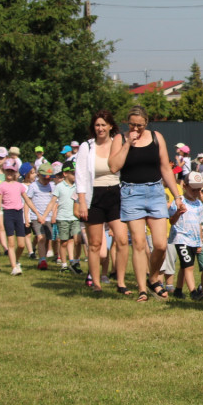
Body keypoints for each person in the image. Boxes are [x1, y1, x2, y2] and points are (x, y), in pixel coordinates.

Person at [108, 106, 185, 302]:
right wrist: (127, 144)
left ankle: (153, 278)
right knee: (139, 243)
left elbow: (165, 168)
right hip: (131, 192)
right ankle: (143, 289)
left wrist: (177, 195)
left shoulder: (156, 137)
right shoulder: (119, 139)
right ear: (127, 122)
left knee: (160, 244)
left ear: (146, 124)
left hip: (155, 191)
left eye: (140, 126)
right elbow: (114, 166)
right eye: (132, 125)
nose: (136, 129)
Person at [76, 110, 132, 294]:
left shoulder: (118, 143)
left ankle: (121, 282)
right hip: (95, 196)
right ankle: (96, 283)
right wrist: (82, 202)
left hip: (115, 194)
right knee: (95, 243)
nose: (100, 128)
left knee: (123, 240)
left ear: (110, 126)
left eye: (103, 125)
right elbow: (81, 175)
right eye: (97, 125)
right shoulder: (87, 146)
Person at [168, 171, 203, 300]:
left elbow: (199, 224)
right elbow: (172, 221)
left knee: (185, 265)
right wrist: (178, 212)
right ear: (185, 186)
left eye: (199, 190)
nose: (196, 193)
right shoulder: (178, 201)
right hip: (180, 237)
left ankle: (178, 290)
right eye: (193, 189)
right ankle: (193, 292)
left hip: (194, 239)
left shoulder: (199, 204)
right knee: (188, 266)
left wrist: (200, 242)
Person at [0, 158, 33, 275]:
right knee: (11, 243)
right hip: (8, 214)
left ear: (15, 172)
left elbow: (28, 201)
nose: (9, 173)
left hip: (18, 214)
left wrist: (38, 214)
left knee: (21, 245)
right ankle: (14, 267)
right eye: (7, 171)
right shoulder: (2, 186)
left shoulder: (19, 186)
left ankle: (16, 260)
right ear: (4, 171)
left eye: (12, 171)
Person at [45, 161, 81, 273]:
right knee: (64, 242)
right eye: (73, 173)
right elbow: (52, 202)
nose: (76, 175)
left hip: (75, 218)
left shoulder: (79, 186)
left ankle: (75, 262)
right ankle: (64, 265)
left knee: (77, 240)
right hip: (63, 218)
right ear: (65, 174)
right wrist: (44, 215)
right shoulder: (59, 186)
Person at [26, 163, 56, 271]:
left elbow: (54, 202)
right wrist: (37, 215)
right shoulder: (33, 186)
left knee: (48, 238)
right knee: (41, 238)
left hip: (48, 216)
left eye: (49, 179)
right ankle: (42, 260)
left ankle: (43, 256)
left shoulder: (52, 186)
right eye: (45, 179)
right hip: (36, 216)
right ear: (39, 175)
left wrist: (51, 214)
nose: (47, 181)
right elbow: (28, 200)